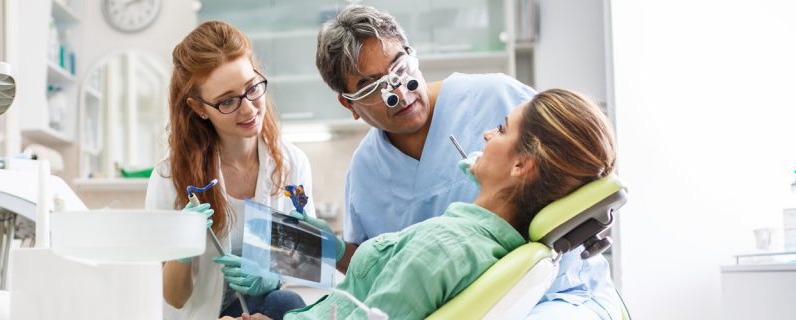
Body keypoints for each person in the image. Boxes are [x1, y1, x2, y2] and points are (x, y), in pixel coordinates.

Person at [307, 5, 622, 319]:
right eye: (374, 87)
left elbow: (576, 156)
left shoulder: (498, 97)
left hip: (558, 292)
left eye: (400, 69)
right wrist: (329, 250)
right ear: (349, 104)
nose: (401, 94)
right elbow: (377, 274)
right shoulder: (366, 172)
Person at [278, 89, 616, 319]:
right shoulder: (487, 247)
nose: (486, 135)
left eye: (501, 129)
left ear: (521, 166)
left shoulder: (442, 247)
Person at [144, 20, 310, 320]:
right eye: (228, 101)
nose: (248, 109)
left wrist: (270, 277)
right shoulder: (169, 178)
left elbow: (295, 264)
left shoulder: (292, 163)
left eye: (252, 88)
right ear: (199, 108)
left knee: (287, 302)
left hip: (263, 311)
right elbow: (174, 298)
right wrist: (184, 244)